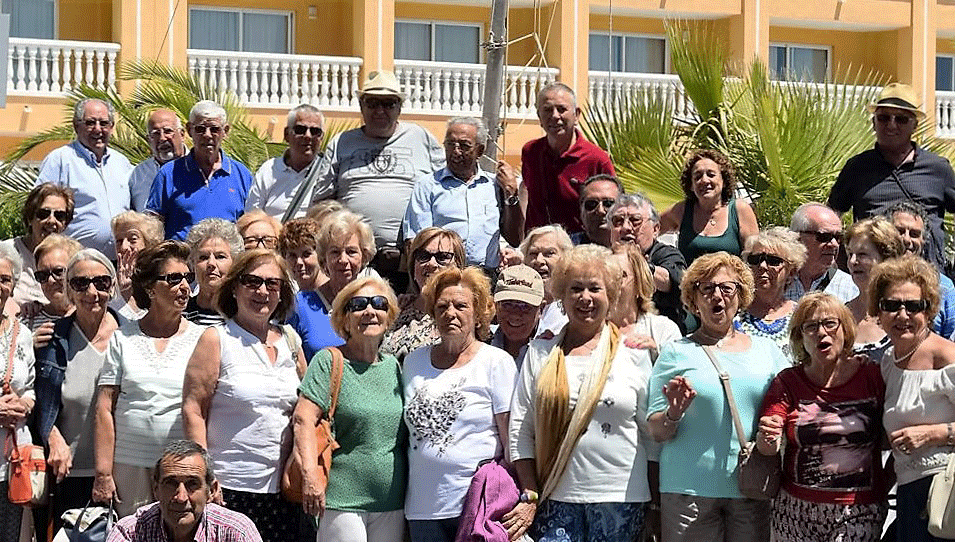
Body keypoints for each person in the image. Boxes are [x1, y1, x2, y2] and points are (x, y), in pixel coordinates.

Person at [508, 244, 656, 542]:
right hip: (555, 497)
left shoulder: (635, 353)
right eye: (575, 289)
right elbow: (521, 429)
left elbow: (651, 437)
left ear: (610, 295)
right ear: (562, 297)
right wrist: (530, 494)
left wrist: (657, 506)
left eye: (594, 288)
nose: (585, 297)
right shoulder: (540, 352)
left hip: (621, 500)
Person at [648, 252, 789, 542]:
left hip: (750, 488)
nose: (717, 296)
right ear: (693, 298)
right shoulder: (675, 352)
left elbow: (790, 406)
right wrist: (674, 412)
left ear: (741, 295)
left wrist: (776, 427)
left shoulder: (768, 352)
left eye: (727, 288)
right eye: (707, 288)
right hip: (688, 492)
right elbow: (657, 431)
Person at [182, 249, 302, 542]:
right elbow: (193, 409)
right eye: (252, 281)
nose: (262, 291)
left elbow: (307, 408)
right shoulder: (217, 339)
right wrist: (205, 476)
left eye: (272, 283)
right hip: (228, 489)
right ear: (234, 287)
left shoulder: (291, 341)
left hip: (283, 492)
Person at [757, 292, 888, 541]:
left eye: (830, 323)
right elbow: (767, 447)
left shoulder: (872, 375)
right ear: (800, 337)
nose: (821, 332)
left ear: (845, 329)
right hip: (794, 512)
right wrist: (767, 437)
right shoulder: (788, 382)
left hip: (858, 509)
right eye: (811, 327)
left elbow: (895, 429)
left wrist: (884, 486)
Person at [402, 266, 516, 541]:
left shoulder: (496, 362)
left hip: (478, 506)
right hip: (422, 509)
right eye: (442, 307)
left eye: (460, 306)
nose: (450, 313)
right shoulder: (413, 362)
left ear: (478, 314)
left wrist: (524, 495)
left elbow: (512, 440)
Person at [93, 241, 205, 517]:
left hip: (180, 467)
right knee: (133, 532)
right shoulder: (122, 338)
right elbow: (105, 407)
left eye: (188, 278)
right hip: (129, 465)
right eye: (173, 278)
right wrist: (103, 473)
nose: (184, 286)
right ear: (150, 288)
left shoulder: (202, 339)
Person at [292, 276, 407, 541]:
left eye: (379, 303)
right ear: (345, 319)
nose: (370, 311)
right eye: (358, 305)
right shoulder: (328, 360)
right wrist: (310, 476)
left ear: (389, 316)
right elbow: (303, 419)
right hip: (340, 501)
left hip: (391, 501)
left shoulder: (395, 367)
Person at [308, 70, 445, 290]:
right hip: (352, 263)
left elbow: (444, 190)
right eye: (372, 103)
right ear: (361, 106)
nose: (380, 110)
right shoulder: (342, 142)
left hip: (409, 263)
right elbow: (322, 204)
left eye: (388, 103)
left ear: (399, 107)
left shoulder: (422, 138)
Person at [32, 248, 121, 534]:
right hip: (67, 475)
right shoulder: (53, 339)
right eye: (81, 283)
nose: (92, 292)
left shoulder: (131, 336)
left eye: (101, 282)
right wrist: (51, 434)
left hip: (122, 472)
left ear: (113, 286)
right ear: (69, 290)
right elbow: (37, 398)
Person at [871, 255, 955, 542]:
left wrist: (932, 434)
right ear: (878, 310)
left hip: (945, 495)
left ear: (929, 311)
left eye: (913, 306)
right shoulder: (889, 361)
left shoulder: (946, 357)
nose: (902, 315)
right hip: (908, 494)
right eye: (891, 305)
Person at [829, 82, 955, 271]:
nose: (891, 125)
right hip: (872, 277)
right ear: (873, 123)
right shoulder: (857, 167)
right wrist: (843, 266)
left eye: (901, 119)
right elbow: (831, 218)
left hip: (929, 276)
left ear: (915, 125)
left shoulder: (938, 169)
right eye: (883, 118)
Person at [402, 116, 523, 272]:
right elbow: (417, 240)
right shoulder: (427, 185)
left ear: (480, 150)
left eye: (464, 146)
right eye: (450, 144)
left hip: (485, 274)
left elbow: (515, 239)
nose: (456, 151)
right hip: (443, 274)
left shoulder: (494, 185)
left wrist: (511, 193)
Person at [106, 440, 263, 542]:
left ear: (211, 491)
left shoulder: (235, 532)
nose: (181, 497)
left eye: (192, 484)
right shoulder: (130, 532)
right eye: (171, 483)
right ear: (156, 489)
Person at [37, 98, 132, 258]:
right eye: (90, 123)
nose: (98, 129)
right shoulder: (60, 159)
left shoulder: (122, 162)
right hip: (76, 259)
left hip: (118, 260)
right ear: (76, 125)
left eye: (104, 123)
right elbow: (40, 208)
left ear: (111, 127)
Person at [147, 100, 253, 241]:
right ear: (189, 130)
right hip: (182, 255)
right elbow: (152, 226)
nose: (207, 135)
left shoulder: (241, 175)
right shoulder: (168, 174)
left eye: (214, 129)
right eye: (200, 129)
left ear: (225, 131)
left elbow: (250, 226)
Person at [518, 83, 615, 235]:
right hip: (538, 243)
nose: (554, 116)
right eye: (547, 110)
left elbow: (614, 206)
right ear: (539, 116)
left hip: (579, 244)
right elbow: (526, 191)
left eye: (561, 109)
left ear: (576, 115)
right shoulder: (531, 152)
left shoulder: (596, 159)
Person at [290, 210, 376, 361]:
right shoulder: (300, 305)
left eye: (351, 252)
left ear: (364, 256)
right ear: (324, 258)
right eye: (335, 252)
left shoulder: (375, 303)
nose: (343, 260)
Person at [659, 149, 759, 265]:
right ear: (691, 185)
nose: (704, 180)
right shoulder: (681, 210)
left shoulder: (740, 209)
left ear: (724, 180)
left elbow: (755, 256)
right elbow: (650, 230)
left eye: (711, 175)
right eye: (697, 177)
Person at [382, 227, 465, 362]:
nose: (431, 263)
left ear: (458, 266)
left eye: (442, 257)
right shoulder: (396, 310)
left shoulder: (464, 315)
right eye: (423, 256)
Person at [609, 193, 688, 333]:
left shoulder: (666, 253)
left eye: (635, 220)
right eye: (618, 221)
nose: (626, 227)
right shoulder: (604, 258)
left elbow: (675, 281)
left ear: (655, 229)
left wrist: (641, 266)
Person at [0, 244, 36, 542]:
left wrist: (24, 404)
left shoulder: (22, 334)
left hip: (14, 460)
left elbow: (31, 388)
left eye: (4, 279)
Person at [883, 201, 955, 339]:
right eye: (900, 231)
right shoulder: (869, 281)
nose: (906, 239)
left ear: (923, 240)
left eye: (914, 234)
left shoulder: (944, 287)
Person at [736, 227, 807, 363]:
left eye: (773, 261)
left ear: (791, 272)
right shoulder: (733, 315)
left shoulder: (802, 316)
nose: (762, 266)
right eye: (755, 259)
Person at [247, 104, 325, 220]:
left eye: (315, 131)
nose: (308, 136)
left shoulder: (328, 172)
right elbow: (253, 216)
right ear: (287, 134)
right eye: (300, 130)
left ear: (321, 137)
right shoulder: (268, 170)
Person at [4, 183, 75, 308]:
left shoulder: (73, 256)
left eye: (59, 216)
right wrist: (14, 307)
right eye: (43, 214)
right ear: (30, 218)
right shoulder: (6, 252)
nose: (51, 220)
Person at [845, 217, 905, 363]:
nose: (852, 261)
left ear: (886, 259)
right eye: (850, 254)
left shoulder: (906, 313)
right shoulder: (841, 315)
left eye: (862, 254)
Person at [610, 242, 681, 355]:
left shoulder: (663, 329)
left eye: (622, 275)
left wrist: (656, 352)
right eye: (608, 274)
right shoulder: (590, 328)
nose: (612, 281)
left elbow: (675, 363)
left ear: (639, 284)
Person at [786, 202, 860, 304]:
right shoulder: (776, 284)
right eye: (824, 237)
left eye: (838, 237)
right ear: (798, 238)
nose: (834, 244)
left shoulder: (852, 289)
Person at [183, 218, 244, 326]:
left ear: (235, 263)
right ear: (193, 264)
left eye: (220, 257)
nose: (211, 263)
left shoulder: (244, 315)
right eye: (203, 257)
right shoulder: (179, 313)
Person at [23, 234, 82, 338]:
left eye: (58, 272)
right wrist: (30, 344)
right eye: (42, 275)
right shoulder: (27, 321)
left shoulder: (91, 315)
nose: (50, 280)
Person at [128, 109, 187, 212]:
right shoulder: (138, 174)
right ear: (148, 139)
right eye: (155, 133)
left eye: (168, 131)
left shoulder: (200, 167)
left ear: (182, 134)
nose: (162, 138)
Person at [519, 225, 573, 336]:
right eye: (533, 254)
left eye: (549, 253)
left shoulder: (573, 308)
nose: (539, 261)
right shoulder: (514, 306)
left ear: (566, 258)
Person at [490, 264, 545, 369]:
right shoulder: (480, 342)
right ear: (496, 306)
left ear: (541, 309)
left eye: (525, 306)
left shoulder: (554, 347)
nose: (515, 315)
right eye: (507, 304)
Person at [112, 211, 165, 320]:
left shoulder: (162, 274)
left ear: (149, 243)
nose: (124, 247)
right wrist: (123, 293)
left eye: (132, 240)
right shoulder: (108, 280)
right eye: (119, 241)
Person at [571, 174, 622, 246]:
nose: (600, 211)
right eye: (591, 204)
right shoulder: (566, 247)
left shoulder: (636, 246)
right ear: (581, 211)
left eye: (608, 203)